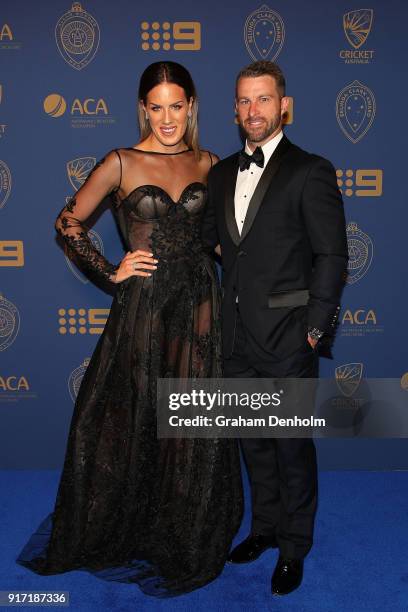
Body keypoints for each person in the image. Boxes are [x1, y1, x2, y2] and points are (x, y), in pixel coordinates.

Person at [16, 61, 243, 598]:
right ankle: (131, 525)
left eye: (177, 106)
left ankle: (184, 530)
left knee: (192, 420)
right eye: (157, 107)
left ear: (191, 106)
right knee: (137, 415)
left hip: (198, 305)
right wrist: (109, 269)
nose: (167, 118)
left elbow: (216, 240)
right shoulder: (120, 161)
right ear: (144, 108)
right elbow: (66, 222)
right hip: (144, 306)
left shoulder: (209, 161)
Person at [202, 60, 348, 596]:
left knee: (290, 446)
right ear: (234, 109)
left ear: (283, 105)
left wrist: (315, 329)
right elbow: (221, 247)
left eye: (263, 99)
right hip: (236, 336)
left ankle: (294, 545)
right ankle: (263, 529)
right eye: (243, 101)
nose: (252, 110)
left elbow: (332, 253)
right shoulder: (219, 175)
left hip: (290, 337)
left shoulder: (311, 170)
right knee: (253, 442)